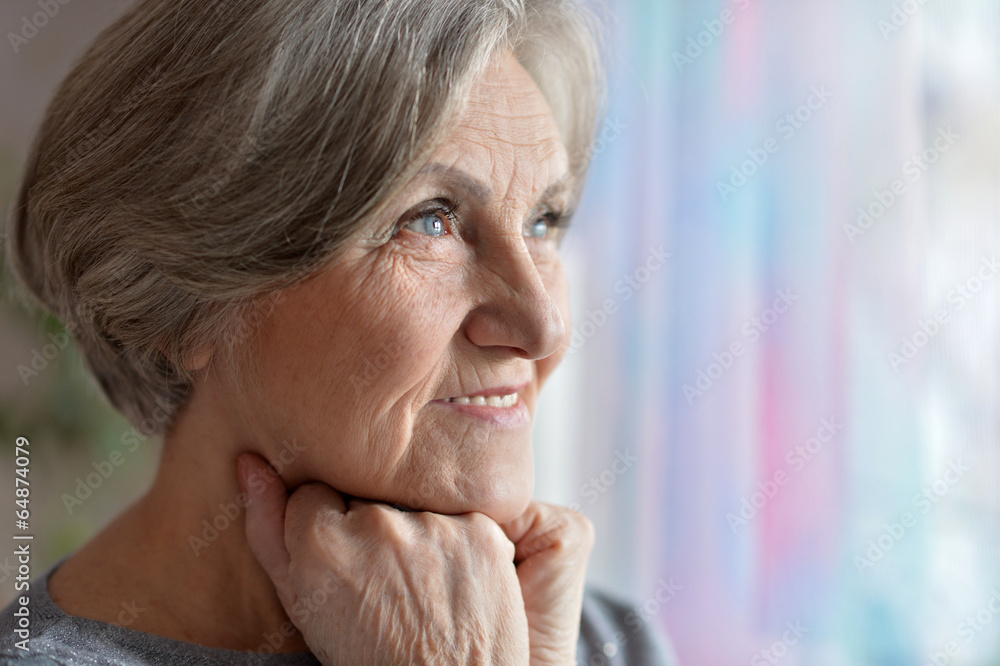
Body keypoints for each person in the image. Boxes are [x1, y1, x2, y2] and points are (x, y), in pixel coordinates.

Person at [1, 0, 678, 663]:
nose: (543, 325)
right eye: (430, 220)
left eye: (543, 221)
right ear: (188, 298)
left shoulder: (593, 637)